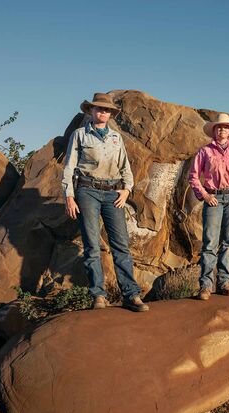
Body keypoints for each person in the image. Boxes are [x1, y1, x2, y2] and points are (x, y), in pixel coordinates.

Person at [62, 92, 148, 312]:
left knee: (121, 245)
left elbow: (125, 167)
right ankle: (98, 296)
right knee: (92, 244)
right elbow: (70, 167)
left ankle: (131, 295)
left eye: (106, 109)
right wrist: (69, 196)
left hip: (112, 193)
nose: (102, 112)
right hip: (87, 191)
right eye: (98, 109)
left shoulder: (116, 138)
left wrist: (127, 190)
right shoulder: (80, 135)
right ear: (91, 111)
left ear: (111, 114)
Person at [188, 113, 229, 300]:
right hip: (213, 198)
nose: (222, 130)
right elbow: (193, 176)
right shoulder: (205, 151)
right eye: (219, 127)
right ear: (214, 130)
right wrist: (205, 195)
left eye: (225, 128)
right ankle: (205, 286)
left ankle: (223, 282)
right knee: (210, 243)